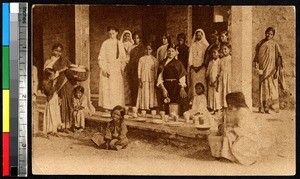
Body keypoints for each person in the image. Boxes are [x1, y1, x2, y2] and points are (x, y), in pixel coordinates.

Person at [216, 92, 260, 165]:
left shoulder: (242, 111)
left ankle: (231, 157)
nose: (229, 105)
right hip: (239, 132)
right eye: (228, 103)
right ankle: (227, 156)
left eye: (231, 103)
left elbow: (243, 128)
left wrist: (231, 128)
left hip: (248, 135)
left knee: (229, 136)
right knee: (227, 134)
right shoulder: (236, 110)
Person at [253, 27, 286, 113]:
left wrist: (277, 69)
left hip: (272, 69)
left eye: (271, 34)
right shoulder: (260, 43)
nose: (269, 35)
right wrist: (257, 67)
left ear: (273, 35)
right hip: (263, 69)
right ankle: (264, 107)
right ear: (265, 33)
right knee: (264, 88)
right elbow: (256, 56)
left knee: (272, 88)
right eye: (268, 33)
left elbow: (279, 57)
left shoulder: (275, 44)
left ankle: (273, 107)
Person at [44, 43, 73, 132]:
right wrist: (61, 70)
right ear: (52, 50)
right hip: (55, 85)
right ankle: (56, 126)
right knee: (56, 105)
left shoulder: (65, 60)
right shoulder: (48, 61)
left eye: (60, 51)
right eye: (56, 50)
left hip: (65, 83)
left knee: (66, 102)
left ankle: (65, 126)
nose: (57, 53)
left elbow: (71, 67)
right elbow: (47, 73)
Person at [98, 26, 126, 110]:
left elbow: (123, 58)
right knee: (107, 87)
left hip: (116, 68)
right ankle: (107, 106)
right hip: (107, 66)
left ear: (117, 33)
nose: (111, 35)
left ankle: (116, 106)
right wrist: (103, 68)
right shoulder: (105, 43)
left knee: (116, 87)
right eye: (110, 33)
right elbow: (101, 57)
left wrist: (122, 68)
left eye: (113, 33)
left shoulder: (120, 44)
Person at [157, 43, 189, 115]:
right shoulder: (162, 63)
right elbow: (160, 77)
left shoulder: (178, 63)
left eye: (172, 51)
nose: (170, 53)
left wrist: (182, 87)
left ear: (175, 52)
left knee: (179, 103)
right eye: (169, 51)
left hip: (176, 87)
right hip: (166, 86)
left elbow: (182, 76)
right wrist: (163, 89)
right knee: (165, 104)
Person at [136, 43, 158, 110]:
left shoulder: (154, 59)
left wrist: (155, 78)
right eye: (146, 49)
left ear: (152, 50)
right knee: (144, 91)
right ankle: (144, 106)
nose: (148, 51)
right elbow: (139, 69)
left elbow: (156, 70)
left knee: (151, 91)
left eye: (149, 49)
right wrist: (139, 79)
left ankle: (151, 106)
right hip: (143, 78)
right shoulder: (141, 59)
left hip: (151, 78)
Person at [188, 29, 209, 97]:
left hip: (202, 68)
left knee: (202, 83)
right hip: (194, 68)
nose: (198, 36)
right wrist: (192, 66)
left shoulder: (205, 46)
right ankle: (194, 100)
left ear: (202, 36)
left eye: (200, 35)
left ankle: (203, 100)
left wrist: (201, 67)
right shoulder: (192, 45)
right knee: (194, 83)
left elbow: (206, 58)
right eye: (197, 35)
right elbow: (190, 57)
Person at [42, 68, 62, 137]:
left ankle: (54, 130)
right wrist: (53, 85)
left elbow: (56, 91)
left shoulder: (52, 81)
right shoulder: (45, 82)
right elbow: (49, 92)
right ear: (49, 76)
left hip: (55, 99)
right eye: (53, 76)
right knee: (50, 115)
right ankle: (48, 131)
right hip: (50, 100)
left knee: (56, 114)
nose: (54, 77)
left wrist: (59, 98)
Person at [127, 31, 146, 106]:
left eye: (137, 38)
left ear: (140, 39)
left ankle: (140, 104)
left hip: (140, 69)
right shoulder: (131, 47)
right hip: (132, 69)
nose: (135, 40)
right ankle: (134, 103)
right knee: (133, 87)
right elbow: (128, 58)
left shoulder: (142, 48)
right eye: (134, 38)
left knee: (139, 87)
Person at [206, 44, 221, 114]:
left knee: (216, 95)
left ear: (219, 53)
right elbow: (208, 72)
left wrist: (216, 81)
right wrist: (209, 80)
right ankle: (211, 107)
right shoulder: (210, 62)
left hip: (216, 81)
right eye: (212, 53)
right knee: (211, 94)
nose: (213, 54)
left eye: (215, 52)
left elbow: (219, 73)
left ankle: (217, 108)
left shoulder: (220, 62)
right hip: (210, 81)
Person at [120, 30, 134, 106]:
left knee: (129, 83)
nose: (126, 37)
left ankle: (129, 101)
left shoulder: (132, 45)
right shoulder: (120, 44)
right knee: (122, 82)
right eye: (125, 36)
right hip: (122, 64)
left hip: (130, 65)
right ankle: (122, 100)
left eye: (128, 36)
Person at [219, 42, 232, 109]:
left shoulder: (231, 59)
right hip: (222, 76)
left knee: (228, 90)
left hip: (228, 77)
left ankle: (228, 105)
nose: (224, 51)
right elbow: (219, 70)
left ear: (229, 49)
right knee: (222, 91)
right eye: (222, 49)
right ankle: (223, 106)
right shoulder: (221, 60)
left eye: (225, 49)